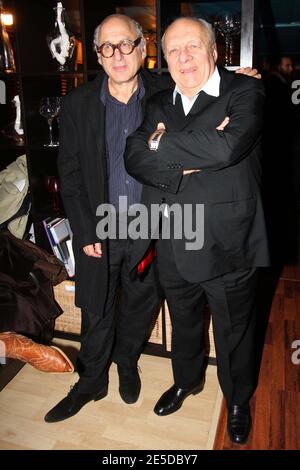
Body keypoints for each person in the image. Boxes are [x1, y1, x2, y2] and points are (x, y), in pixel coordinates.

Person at [44, 13, 261, 424]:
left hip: (152, 229)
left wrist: (237, 74)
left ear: (142, 50)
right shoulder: (77, 104)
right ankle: (90, 382)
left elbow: (203, 76)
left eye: (126, 43)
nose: (117, 54)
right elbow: (70, 173)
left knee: (141, 308)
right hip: (101, 228)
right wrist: (85, 228)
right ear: (98, 55)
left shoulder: (163, 90)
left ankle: (127, 364)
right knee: (96, 309)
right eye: (107, 47)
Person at [125, 17, 269, 444]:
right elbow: (134, 157)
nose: (183, 57)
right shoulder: (156, 102)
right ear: (163, 58)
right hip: (173, 236)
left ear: (213, 50)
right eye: (173, 50)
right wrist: (186, 153)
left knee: (234, 330)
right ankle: (187, 380)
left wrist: (161, 146)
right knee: (184, 322)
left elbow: (229, 147)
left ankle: (238, 397)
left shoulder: (246, 90)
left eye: (192, 46)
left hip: (229, 242)